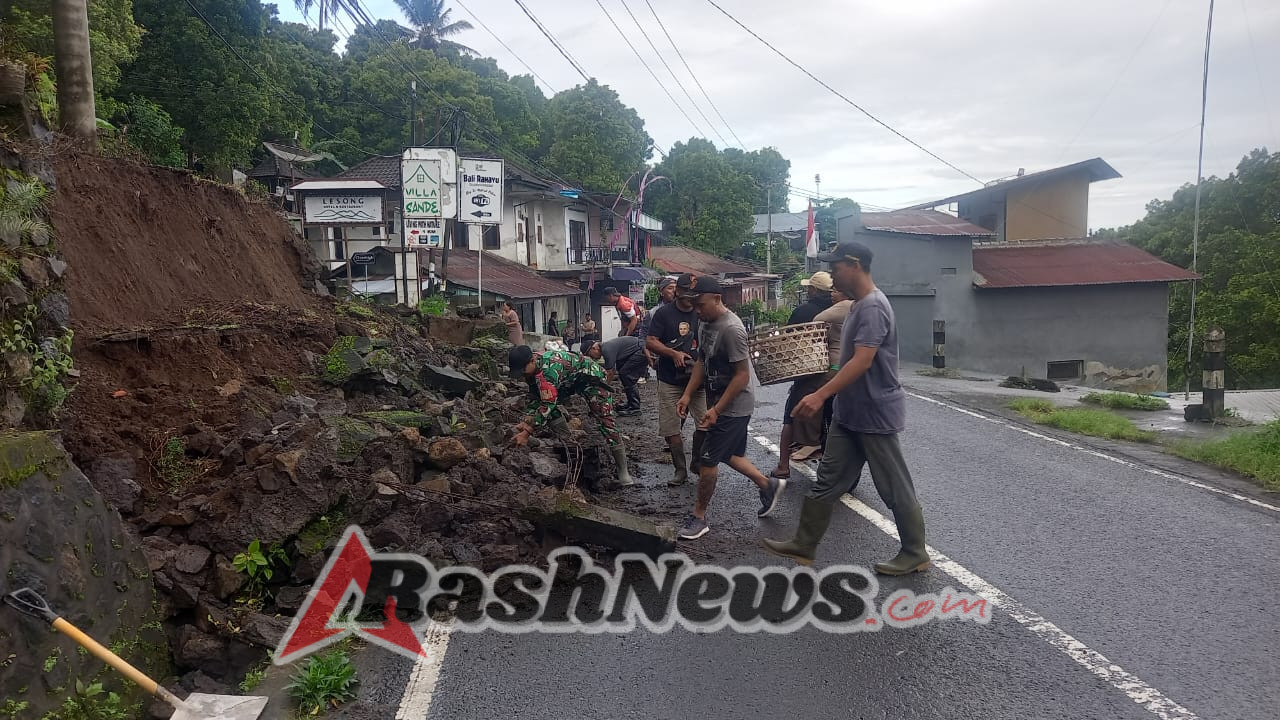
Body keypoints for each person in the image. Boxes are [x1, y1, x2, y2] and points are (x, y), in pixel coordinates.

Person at [762, 241, 930, 575]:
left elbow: (864, 361)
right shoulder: (856, 306)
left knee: (893, 486)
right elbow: (848, 360)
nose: (831, 274)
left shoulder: (873, 307)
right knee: (826, 480)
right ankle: (805, 543)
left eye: (835, 267)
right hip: (849, 413)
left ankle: (915, 553)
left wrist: (820, 395)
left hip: (874, 413)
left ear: (854, 265)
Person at [675, 275, 785, 540]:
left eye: (700, 305)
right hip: (717, 402)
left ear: (716, 298)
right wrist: (688, 395)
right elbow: (701, 361)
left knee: (708, 458)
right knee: (728, 454)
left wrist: (716, 410)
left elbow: (742, 376)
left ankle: (699, 517)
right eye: (694, 305)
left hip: (734, 406)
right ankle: (767, 485)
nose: (697, 311)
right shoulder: (705, 324)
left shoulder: (732, 329)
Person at [508, 345, 632, 486]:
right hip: (569, 382)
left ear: (531, 361)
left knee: (606, 422)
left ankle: (623, 471)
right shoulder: (532, 369)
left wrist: (526, 433)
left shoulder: (548, 370)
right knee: (551, 412)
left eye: (522, 371)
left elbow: (548, 404)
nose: (522, 375)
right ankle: (571, 447)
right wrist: (527, 420)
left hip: (591, 379)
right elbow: (535, 396)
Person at [770, 271, 836, 479]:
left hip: (808, 373)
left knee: (790, 416)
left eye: (809, 288)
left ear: (813, 290)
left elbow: (788, 340)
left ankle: (783, 466)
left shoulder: (803, 311)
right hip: (838, 373)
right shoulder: (842, 308)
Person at [646, 273, 706, 486]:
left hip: (697, 380)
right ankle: (680, 470)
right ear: (677, 292)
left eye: (694, 295)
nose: (691, 299)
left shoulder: (702, 312)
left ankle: (697, 461)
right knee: (671, 428)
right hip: (670, 379)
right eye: (687, 294)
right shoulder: (663, 314)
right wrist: (673, 354)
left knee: (705, 423)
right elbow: (651, 341)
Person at [809, 288, 853, 456]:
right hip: (845, 368)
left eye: (835, 290)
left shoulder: (845, 305)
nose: (832, 294)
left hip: (835, 369)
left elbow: (817, 319)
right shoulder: (855, 308)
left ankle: (825, 447)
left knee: (828, 412)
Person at [584, 336, 648, 416]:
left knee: (626, 375)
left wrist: (603, 389)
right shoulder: (606, 347)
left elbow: (610, 372)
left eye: (590, 355)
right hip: (636, 350)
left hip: (640, 351)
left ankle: (634, 407)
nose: (592, 358)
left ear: (594, 348)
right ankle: (631, 404)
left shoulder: (606, 350)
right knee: (624, 374)